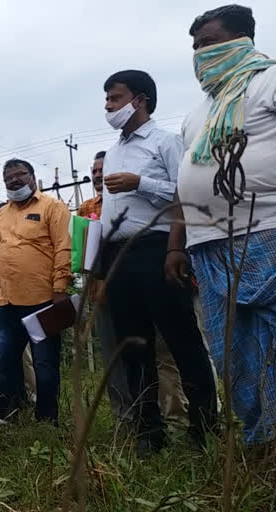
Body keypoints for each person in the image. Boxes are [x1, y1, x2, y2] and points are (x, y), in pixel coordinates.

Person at [167, 4, 276, 443]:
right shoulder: (199, 114)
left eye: (208, 42)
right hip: (208, 247)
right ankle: (270, 442)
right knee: (235, 353)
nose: (199, 54)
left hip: (274, 232)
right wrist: (175, 244)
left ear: (241, 40)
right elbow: (184, 183)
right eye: (195, 46)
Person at [99, 69, 218, 456]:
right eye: (106, 100)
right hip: (120, 256)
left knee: (182, 340)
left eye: (115, 98)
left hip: (159, 248)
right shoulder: (114, 149)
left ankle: (203, 431)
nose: (108, 106)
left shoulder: (167, 142)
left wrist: (142, 184)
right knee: (134, 346)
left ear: (141, 99)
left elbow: (186, 193)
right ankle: (149, 433)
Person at [84, 152, 189, 426]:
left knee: (169, 350)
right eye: (94, 170)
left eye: (102, 169)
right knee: (130, 353)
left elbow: (179, 201)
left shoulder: (139, 192)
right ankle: (137, 422)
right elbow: (89, 250)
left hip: (157, 264)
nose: (98, 174)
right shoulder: (89, 208)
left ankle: (180, 418)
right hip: (114, 279)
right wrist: (97, 280)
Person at [0, 159, 71, 426]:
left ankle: (47, 420)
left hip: (43, 300)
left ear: (32, 177)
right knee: (3, 364)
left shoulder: (53, 207)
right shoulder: (1, 215)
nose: (14, 181)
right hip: (6, 302)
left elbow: (64, 248)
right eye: (8, 177)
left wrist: (60, 288)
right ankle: (7, 416)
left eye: (19, 175)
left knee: (44, 365)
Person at [0, 202, 36, 406]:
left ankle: (31, 397)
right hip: (1, 307)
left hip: (26, 302)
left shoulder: (24, 239)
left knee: (26, 356)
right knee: (2, 356)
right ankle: (8, 400)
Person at [77, 151, 105, 219]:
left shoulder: (126, 202)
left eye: (102, 170)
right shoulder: (85, 207)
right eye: (94, 172)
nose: (97, 175)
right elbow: (78, 229)